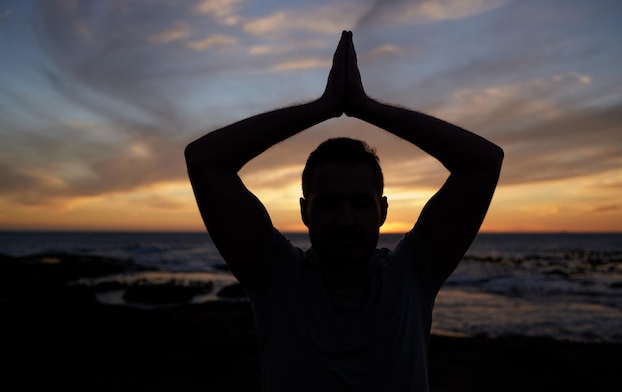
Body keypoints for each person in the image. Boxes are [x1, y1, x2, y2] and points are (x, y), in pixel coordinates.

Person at [185, 31, 503, 391]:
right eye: (329, 203)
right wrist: (324, 107)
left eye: (360, 203)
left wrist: (366, 107)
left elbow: (485, 163)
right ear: (305, 211)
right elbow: (204, 160)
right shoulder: (276, 277)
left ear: (382, 210)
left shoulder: (411, 276)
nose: (345, 220)